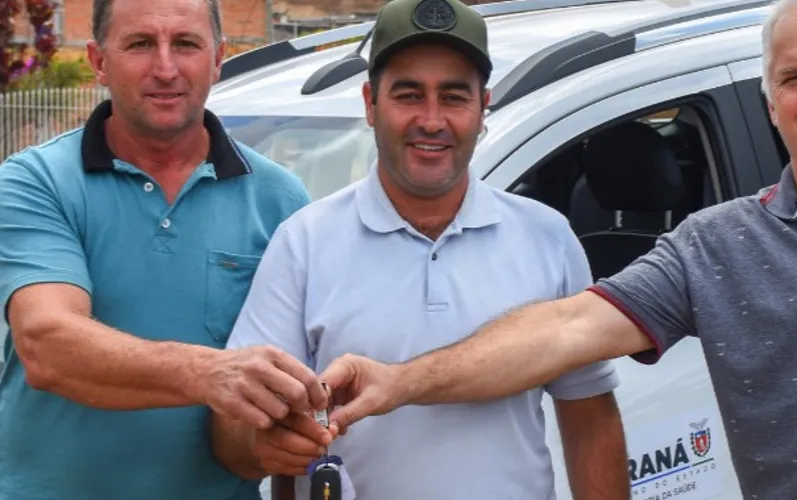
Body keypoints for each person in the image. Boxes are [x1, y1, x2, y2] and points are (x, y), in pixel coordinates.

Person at [313, 0, 797, 498]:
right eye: (793, 78)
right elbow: (563, 328)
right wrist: (399, 381)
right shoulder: (719, 244)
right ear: (771, 105)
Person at [210, 0, 629, 498]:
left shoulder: (547, 237)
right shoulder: (304, 243)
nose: (431, 121)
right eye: (409, 95)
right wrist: (263, 444)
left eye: (453, 97)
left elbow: (590, 420)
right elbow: (232, 430)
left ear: (482, 107)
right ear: (370, 103)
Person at [0, 0, 328, 498]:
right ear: (98, 61)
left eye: (186, 44)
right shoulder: (35, 182)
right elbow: (47, 345)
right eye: (139, 44)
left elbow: (289, 398)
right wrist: (208, 372)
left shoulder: (281, 199)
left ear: (218, 58)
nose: (165, 68)